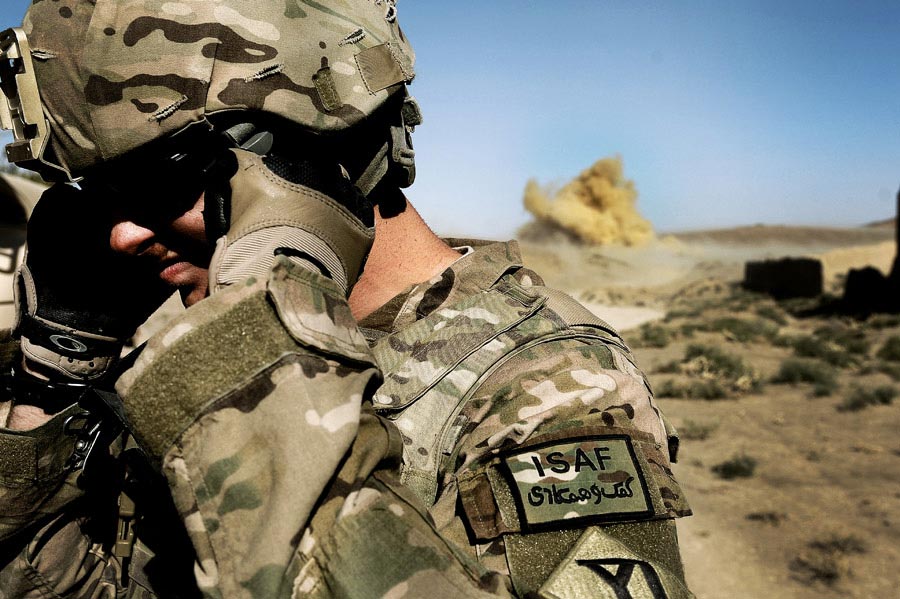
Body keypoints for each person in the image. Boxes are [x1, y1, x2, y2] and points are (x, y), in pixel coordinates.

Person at [0, 1, 692, 598]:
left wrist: (260, 365)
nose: (121, 234)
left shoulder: (548, 387)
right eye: (99, 197)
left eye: (147, 185)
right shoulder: (204, 352)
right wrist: (51, 384)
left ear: (300, 153)